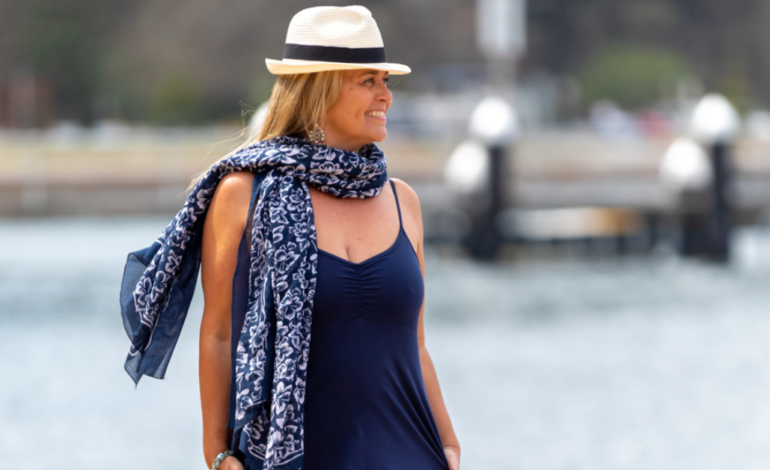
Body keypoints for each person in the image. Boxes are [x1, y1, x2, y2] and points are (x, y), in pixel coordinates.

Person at [120, 6, 460, 470]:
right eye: (368, 81)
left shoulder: (404, 203)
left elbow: (415, 346)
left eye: (386, 81)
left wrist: (450, 444)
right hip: (292, 458)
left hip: (410, 452)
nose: (386, 96)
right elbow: (218, 333)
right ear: (320, 90)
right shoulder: (243, 195)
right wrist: (216, 453)